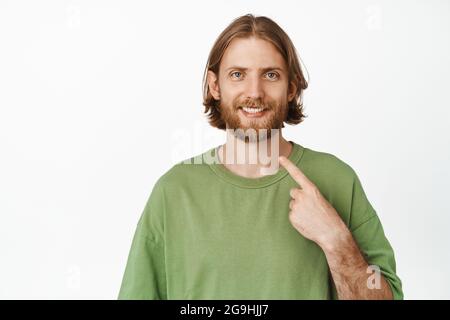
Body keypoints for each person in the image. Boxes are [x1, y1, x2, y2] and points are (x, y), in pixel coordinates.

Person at [118, 14, 403, 300]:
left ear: (291, 88)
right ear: (215, 86)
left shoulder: (337, 180)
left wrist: (335, 240)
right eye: (238, 75)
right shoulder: (174, 192)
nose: (254, 92)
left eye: (270, 75)